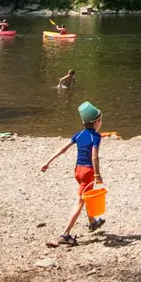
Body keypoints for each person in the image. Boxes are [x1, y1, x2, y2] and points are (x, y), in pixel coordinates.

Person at [40, 101, 106, 244]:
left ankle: (92, 222)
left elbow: (63, 149)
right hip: (88, 172)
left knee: (87, 195)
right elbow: (94, 156)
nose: (101, 123)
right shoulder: (95, 136)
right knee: (80, 202)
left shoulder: (79, 134)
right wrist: (97, 174)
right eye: (100, 120)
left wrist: (48, 162)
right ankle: (65, 234)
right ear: (96, 122)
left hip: (77, 171)